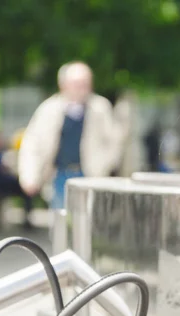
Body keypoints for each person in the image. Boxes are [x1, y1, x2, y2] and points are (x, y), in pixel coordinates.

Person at [18, 61, 123, 209]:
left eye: (85, 83)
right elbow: (32, 144)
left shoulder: (100, 108)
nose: (81, 88)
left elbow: (114, 142)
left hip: (91, 176)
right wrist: (29, 176)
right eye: (77, 83)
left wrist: (103, 166)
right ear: (64, 85)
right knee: (61, 221)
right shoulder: (48, 109)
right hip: (59, 176)